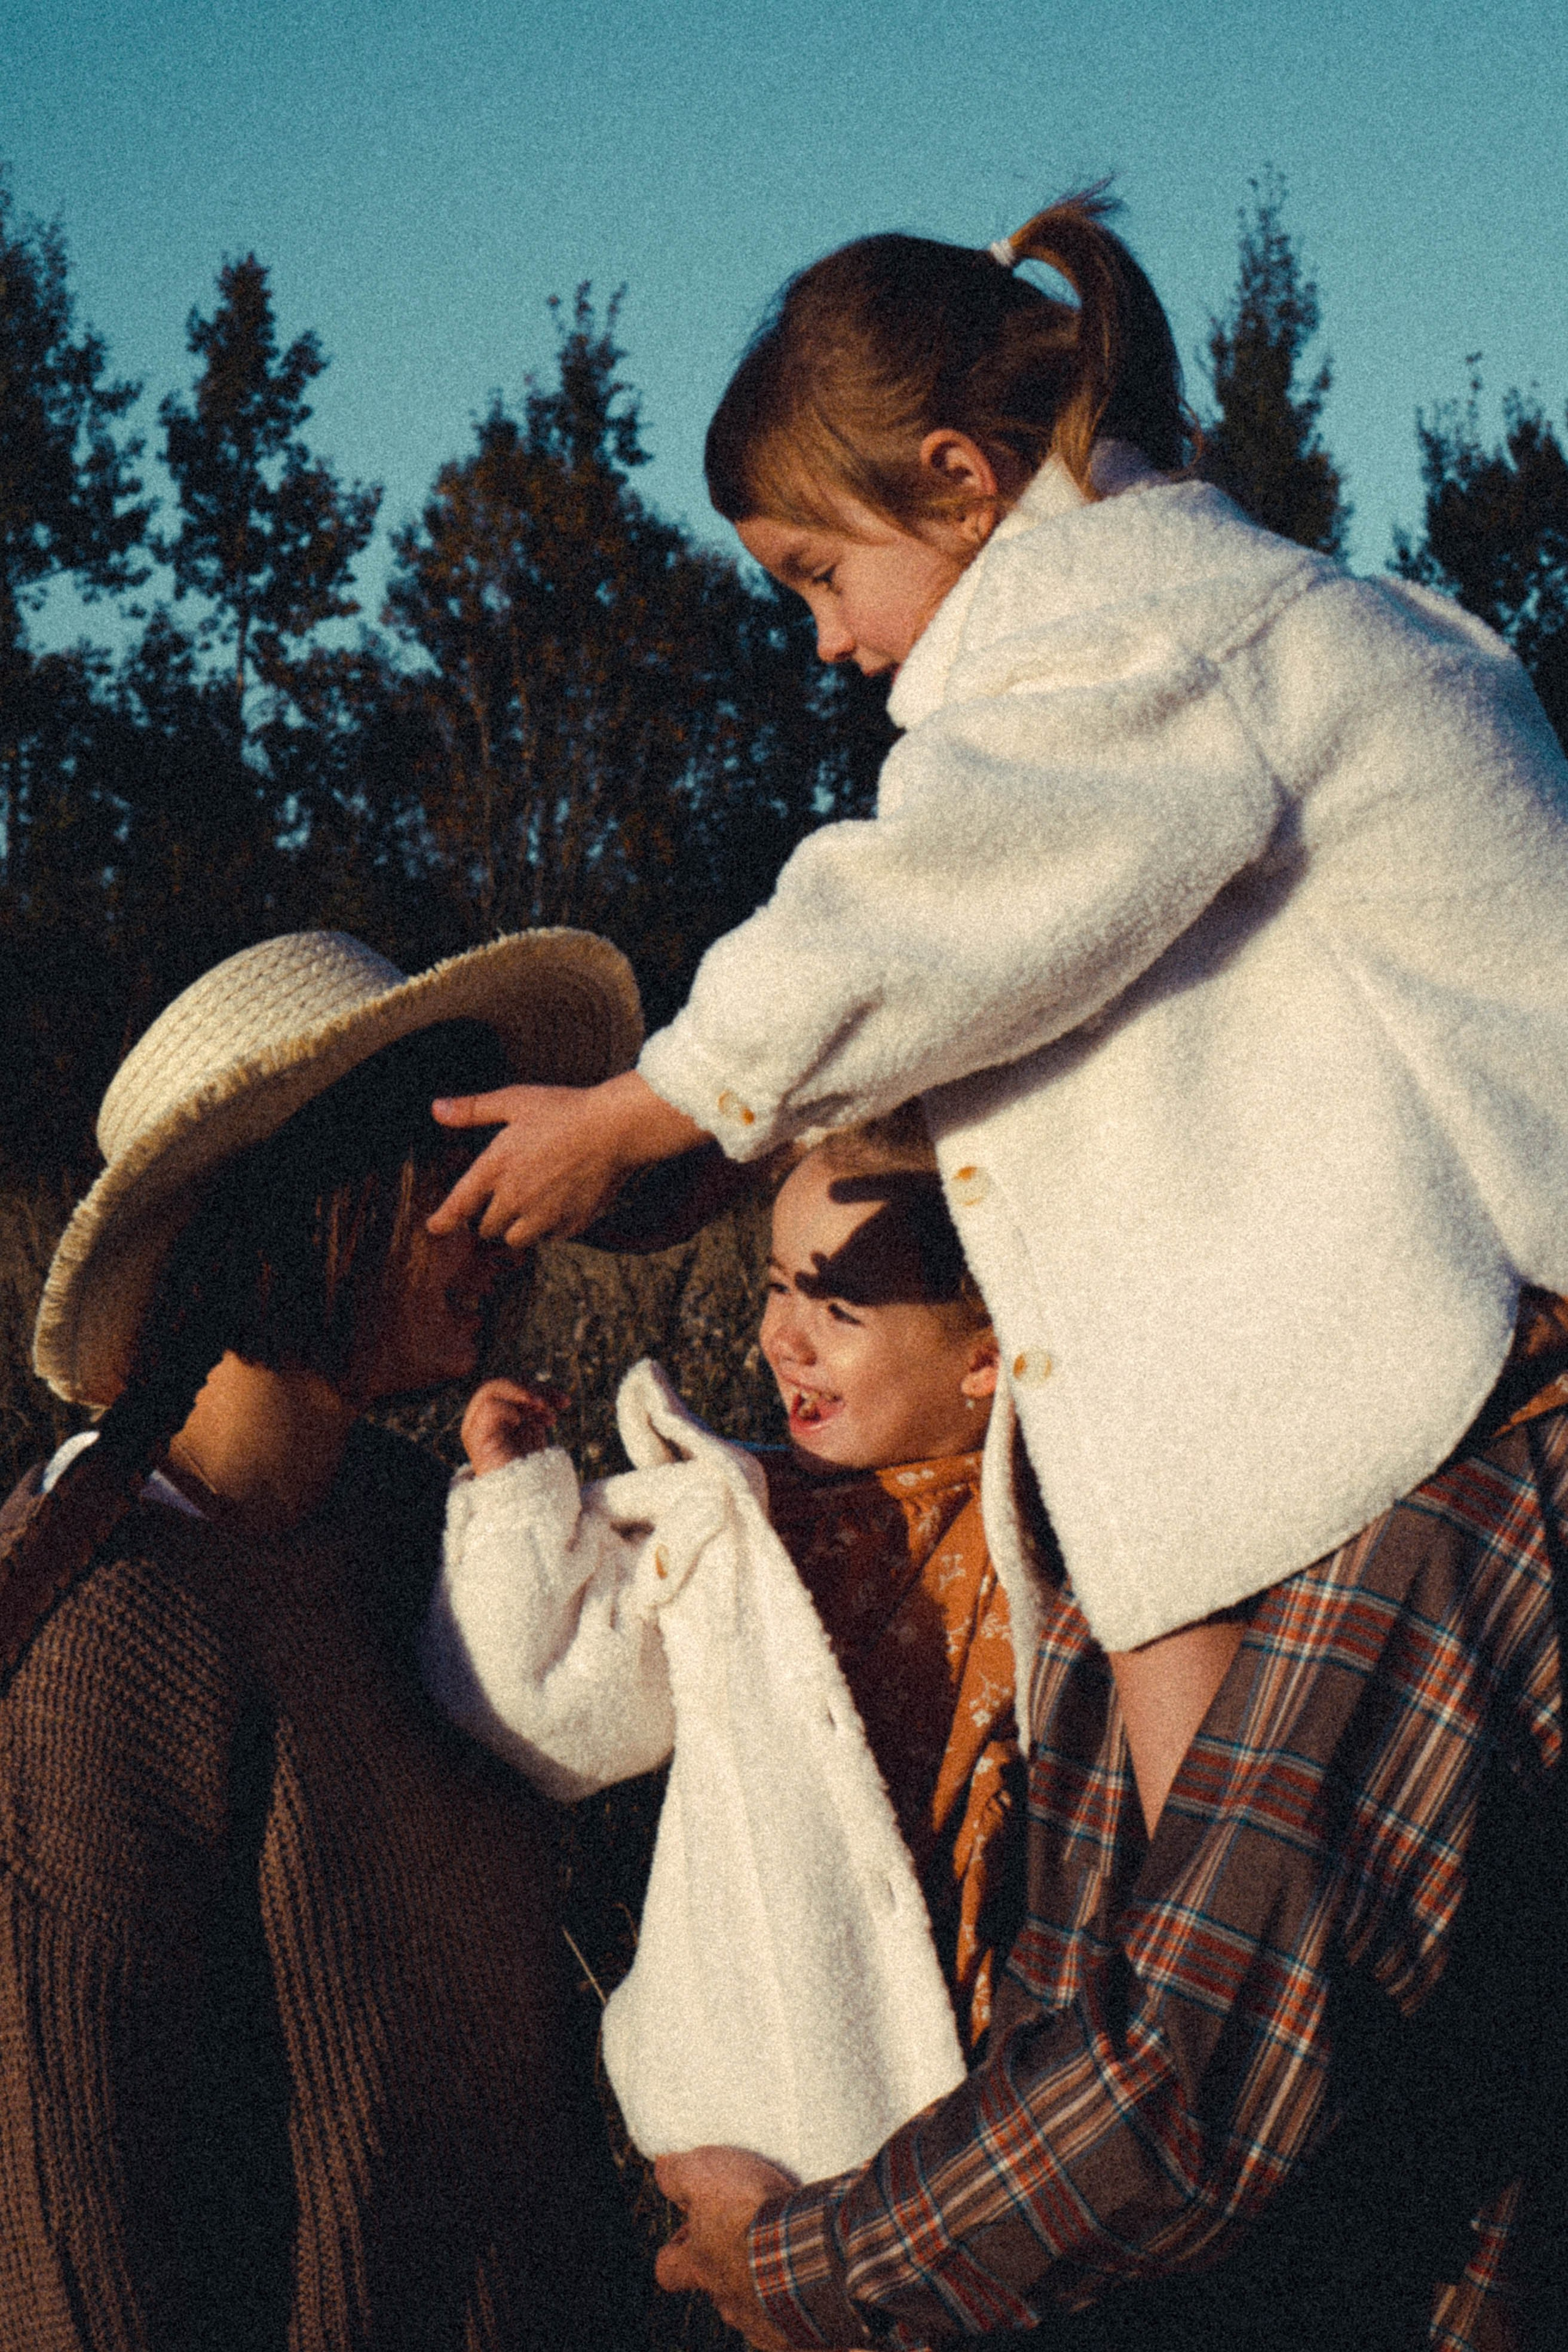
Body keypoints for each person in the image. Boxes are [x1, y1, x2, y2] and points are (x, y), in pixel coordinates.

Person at [418, 189, 1568, 2349]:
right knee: (1220, 1916)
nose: (829, 644)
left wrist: (665, 1099)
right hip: (1414, 1326)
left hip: (1517, 1337)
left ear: (961, 483)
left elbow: (934, 905)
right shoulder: (1218, 640)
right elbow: (1023, 1028)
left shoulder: (1127, 619)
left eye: (823, 577)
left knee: (1213, 2004)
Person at [0, 927, 649, 2351]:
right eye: (443, 1177)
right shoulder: (109, 1626)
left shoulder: (419, 1526)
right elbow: (81, 2217)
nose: (497, 1217)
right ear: (305, 1204)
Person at [421, 1110, 1033, 2190]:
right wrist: (516, 1500)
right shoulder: (740, 1526)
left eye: (837, 1307)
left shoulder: (1047, 1525)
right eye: (774, 1286)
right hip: (791, 2087)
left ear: (986, 1359)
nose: (781, 1339)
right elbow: (546, 1715)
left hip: (1008, 2066)